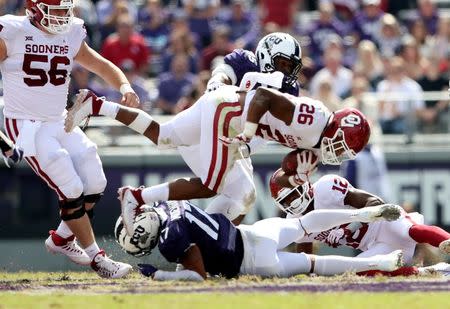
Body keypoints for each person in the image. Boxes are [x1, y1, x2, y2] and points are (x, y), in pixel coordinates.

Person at [64, 72, 371, 232]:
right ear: (338, 127)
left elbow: (282, 177)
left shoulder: (315, 147)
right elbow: (263, 97)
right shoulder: (314, 118)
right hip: (230, 111)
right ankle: (138, 197)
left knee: (164, 135)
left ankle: (96, 104)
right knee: (212, 184)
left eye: (346, 153)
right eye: (342, 144)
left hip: (226, 110)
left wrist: (295, 178)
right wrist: (248, 133)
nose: (339, 153)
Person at [0, 0, 139, 278]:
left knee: (95, 179)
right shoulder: (11, 31)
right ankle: (98, 259)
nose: (64, 17)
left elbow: (98, 63)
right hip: (25, 123)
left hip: (58, 119)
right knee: (70, 185)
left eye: (66, 10)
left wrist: (124, 85)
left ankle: (62, 239)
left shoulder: (71, 32)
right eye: (57, 11)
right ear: (35, 9)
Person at [115, 199, 404, 281]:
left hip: (252, 263)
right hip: (254, 232)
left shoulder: (168, 239)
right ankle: (364, 213)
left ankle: (382, 261)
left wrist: (160, 275)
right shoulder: (167, 206)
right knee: (302, 224)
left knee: (313, 264)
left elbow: (197, 275)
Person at [269, 166, 450, 276]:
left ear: (304, 186)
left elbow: (375, 203)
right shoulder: (295, 220)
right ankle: (434, 271)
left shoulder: (326, 187)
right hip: (373, 245)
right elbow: (306, 258)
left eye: (292, 196)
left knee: (411, 230)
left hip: (383, 224)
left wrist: (351, 226)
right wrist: (310, 274)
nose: (290, 204)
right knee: (359, 270)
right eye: (284, 201)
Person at [206, 32, 302, 96]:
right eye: (283, 63)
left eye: (290, 66)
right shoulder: (247, 63)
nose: (286, 70)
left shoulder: (291, 88)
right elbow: (224, 73)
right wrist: (217, 82)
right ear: (265, 55)